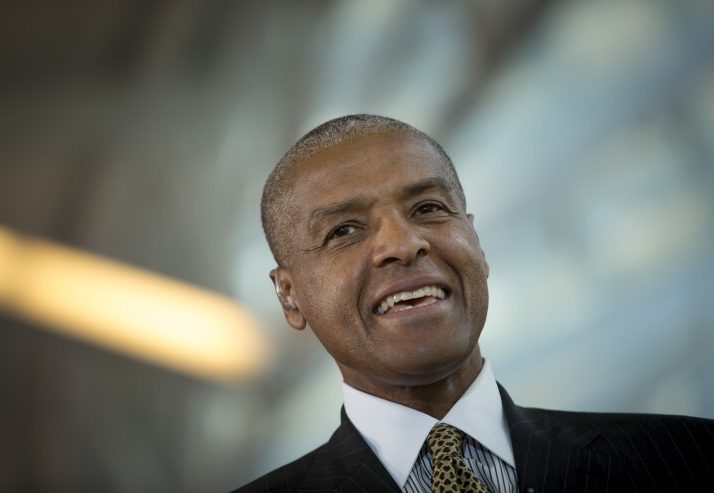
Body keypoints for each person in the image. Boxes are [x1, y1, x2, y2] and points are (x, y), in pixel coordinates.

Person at [233, 114, 714, 492]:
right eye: (344, 231)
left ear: (477, 245)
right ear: (289, 296)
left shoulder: (688, 458)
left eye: (428, 209)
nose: (403, 244)